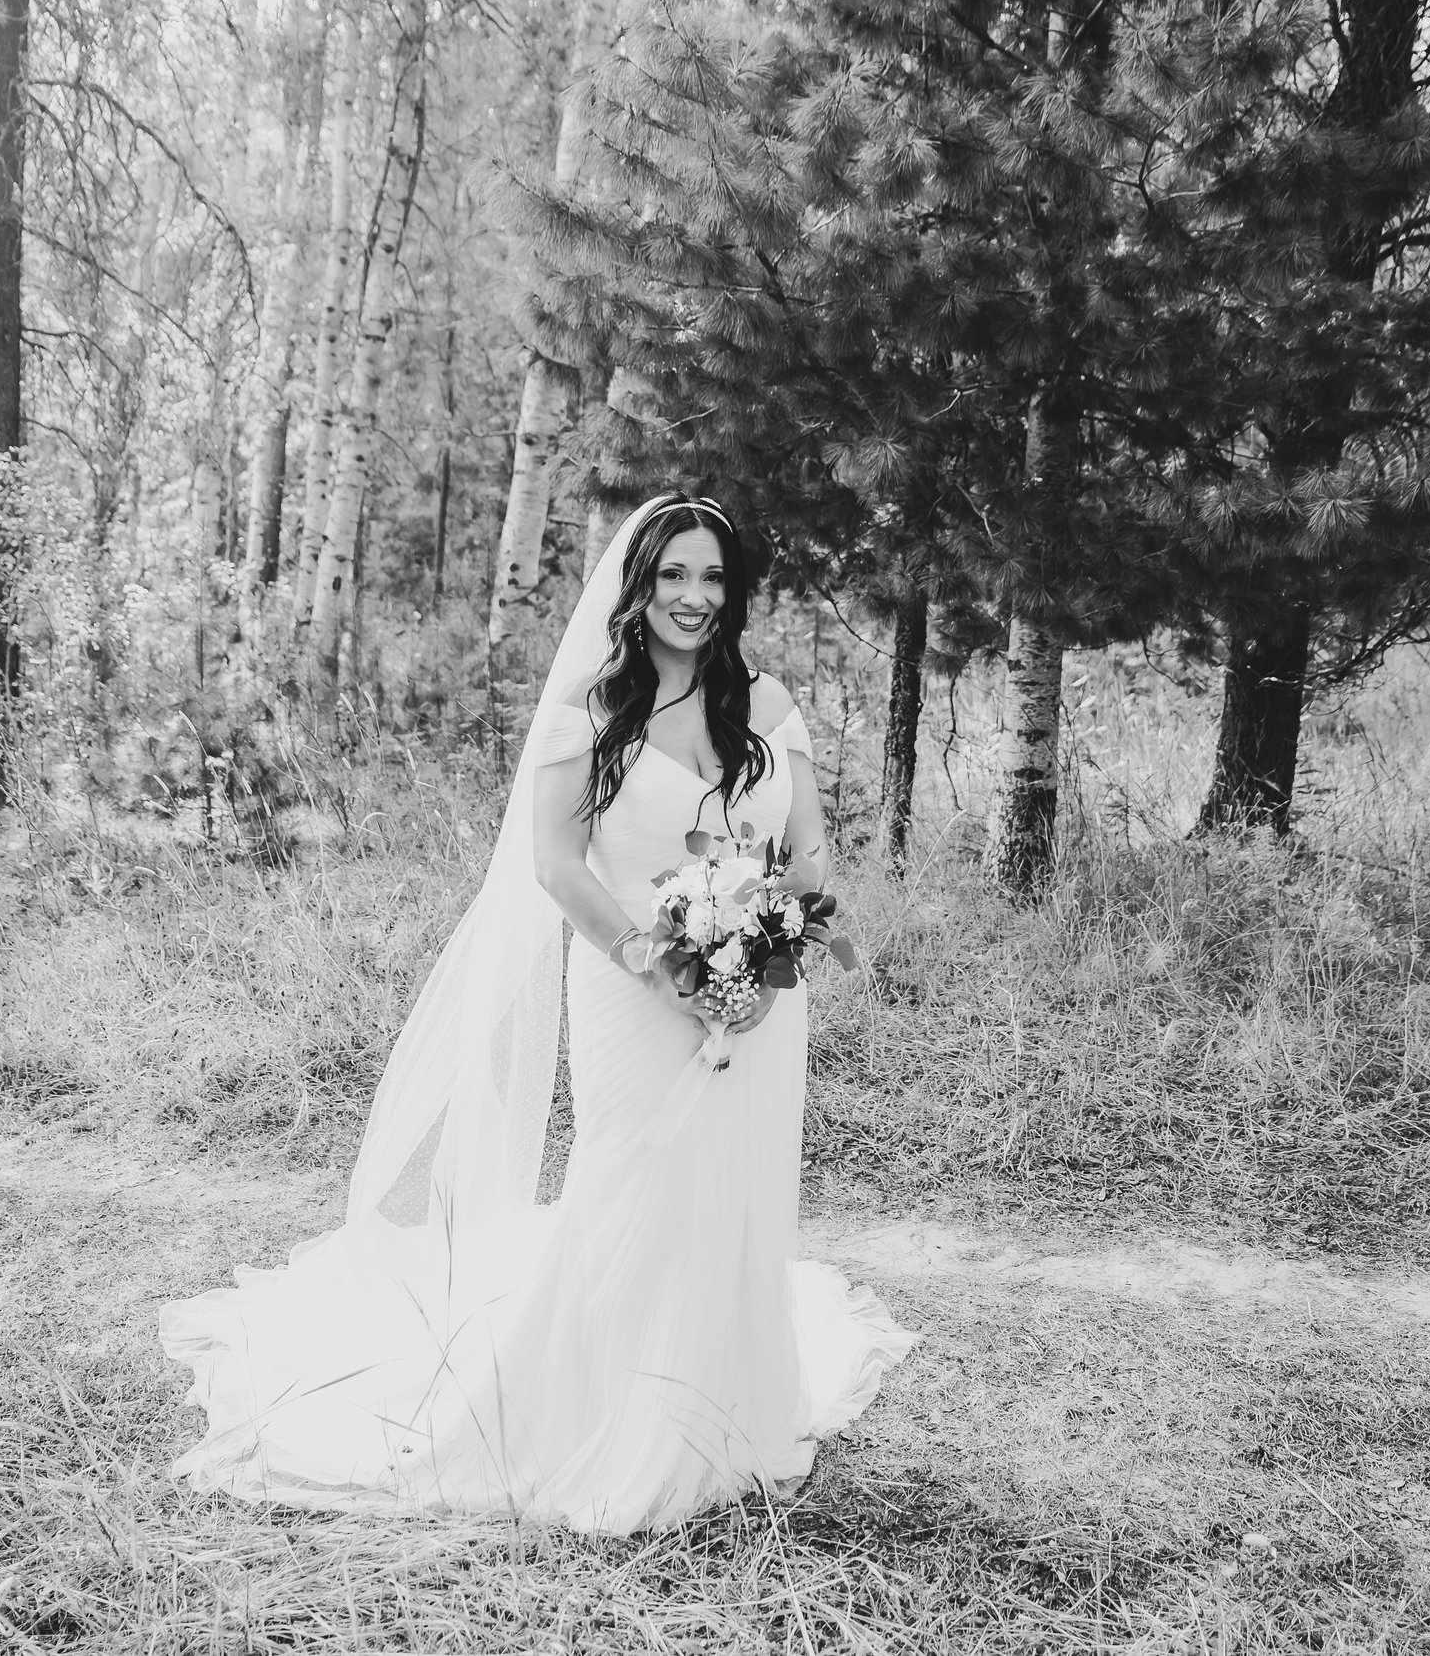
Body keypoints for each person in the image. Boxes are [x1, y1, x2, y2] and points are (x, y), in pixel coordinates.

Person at [160, 492, 915, 1533]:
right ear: (637, 587)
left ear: (734, 590)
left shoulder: (771, 705)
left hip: (759, 994)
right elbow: (556, 866)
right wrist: (658, 961)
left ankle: (722, 1406)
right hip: (633, 983)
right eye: (672, 576)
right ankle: (610, 1414)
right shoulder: (588, 713)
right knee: (638, 1180)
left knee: (734, 1188)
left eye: (712, 577)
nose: (693, 597)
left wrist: (789, 923)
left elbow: (810, 845)